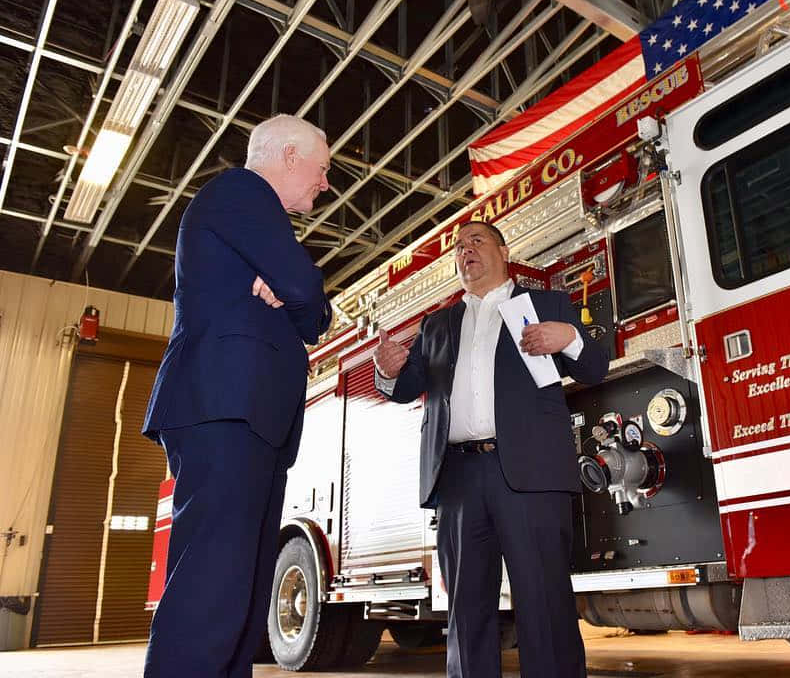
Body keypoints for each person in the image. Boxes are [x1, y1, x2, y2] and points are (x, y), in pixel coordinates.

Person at [373, 220, 609, 678]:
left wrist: (571, 339)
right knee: (466, 608)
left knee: (543, 600)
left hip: (531, 476)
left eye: (475, 241)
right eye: (458, 248)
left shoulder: (545, 305)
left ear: (504, 250)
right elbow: (405, 387)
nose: (465, 252)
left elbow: (595, 368)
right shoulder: (438, 324)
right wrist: (386, 372)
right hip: (459, 480)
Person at [142, 114, 332, 678]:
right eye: (321, 170)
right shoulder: (239, 191)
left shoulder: (259, 223)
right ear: (289, 156)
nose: (325, 184)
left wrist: (297, 292)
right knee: (212, 587)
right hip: (225, 408)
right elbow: (307, 293)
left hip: (252, 418)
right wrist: (295, 288)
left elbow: (313, 313)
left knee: (242, 598)